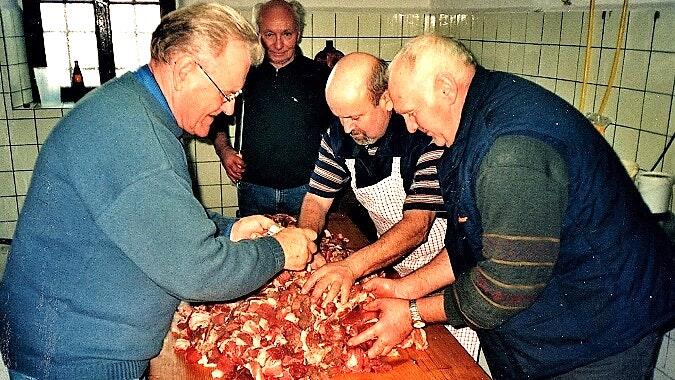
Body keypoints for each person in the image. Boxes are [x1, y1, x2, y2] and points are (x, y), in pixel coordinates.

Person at [0, 4, 318, 379]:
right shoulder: (134, 135)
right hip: (73, 359)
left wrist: (227, 230)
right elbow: (200, 273)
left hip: (74, 344)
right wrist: (279, 252)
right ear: (184, 70)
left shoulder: (134, 108)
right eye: (226, 92)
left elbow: (156, 219)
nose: (230, 109)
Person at [348, 35, 674, 379]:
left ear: (445, 88)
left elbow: (505, 284)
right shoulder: (475, 114)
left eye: (412, 113)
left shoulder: (509, 151)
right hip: (558, 317)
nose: (412, 127)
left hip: (600, 332)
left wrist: (414, 312)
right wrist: (406, 287)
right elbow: (477, 243)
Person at [297, 52, 480, 358]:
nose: (346, 128)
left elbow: (417, 226)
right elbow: (316, 200)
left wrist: (351, 267)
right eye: (340, 117)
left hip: (448, 273)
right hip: (394, 268)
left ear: (386, 99)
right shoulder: (339, 136)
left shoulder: (423, 136)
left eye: (355, 117)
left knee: (451, 359)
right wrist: (306, 243)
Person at [212, 0, 333, 217]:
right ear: (258, 33)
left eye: (286, 34)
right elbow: (216, 119)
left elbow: (338, 131)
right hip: (254, 189)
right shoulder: (244, 72)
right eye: (269, 34)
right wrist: (225, 151)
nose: (278, 45)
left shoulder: (320, 76)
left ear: (298, 33)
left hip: (307, 190)